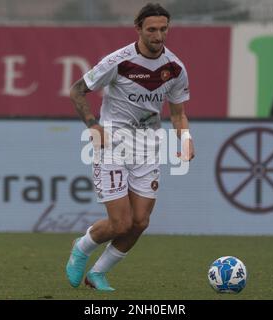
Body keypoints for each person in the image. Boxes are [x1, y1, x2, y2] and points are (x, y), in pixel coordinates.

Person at [66, 3, 195, 291]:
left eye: (163, 29)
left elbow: (177, 113)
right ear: (138, 29)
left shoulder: (175, 67)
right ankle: (82, 247)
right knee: (120, 223)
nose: (158, 35)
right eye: (151, 29)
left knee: (140, 222)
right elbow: (77, 90)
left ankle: (98, 273)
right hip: (112, 143)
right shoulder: (119, 61)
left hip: (148, 145)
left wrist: (185, 139)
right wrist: (93, 125)